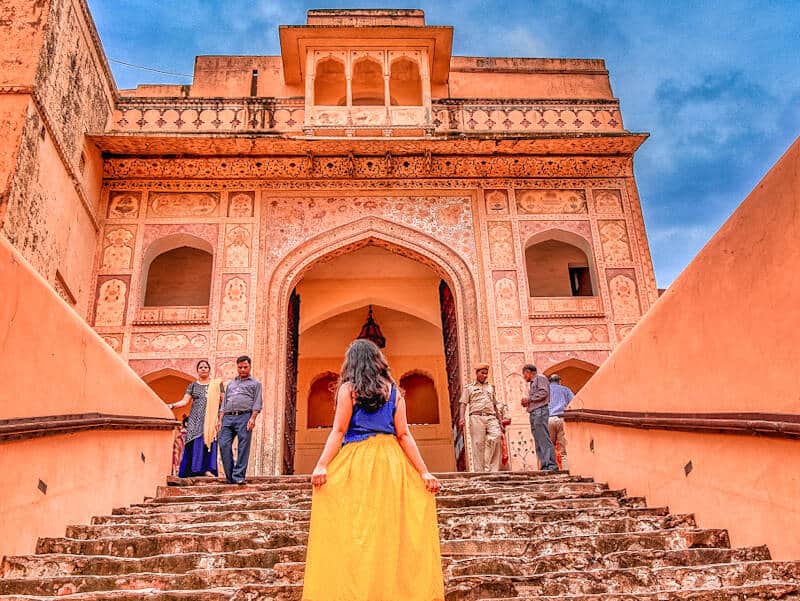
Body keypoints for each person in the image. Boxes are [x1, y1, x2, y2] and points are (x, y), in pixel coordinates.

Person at [302, 339, 444, 601]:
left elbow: (340, 430)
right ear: (378, 361)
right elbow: (404, 435)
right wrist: (424, 471)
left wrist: (321, 464)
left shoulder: (349, 390)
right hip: (391, 463)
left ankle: (358, 590)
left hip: (357, 460)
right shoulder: (394, 392)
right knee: (388, 530)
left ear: (352, 363)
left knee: (357, 530)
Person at [168, 360, 222, 477]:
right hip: (194, 419)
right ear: (197, 370)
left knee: (208, 443)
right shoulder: (192, 386)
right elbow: (185, 401)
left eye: (205, 367)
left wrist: (220, 419)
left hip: (210, 420)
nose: (203, 369)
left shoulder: (216, 385)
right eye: (201, 367)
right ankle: (192, 470)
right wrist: (172, 405)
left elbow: (223, 402)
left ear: (209, 369)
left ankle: (208, 470)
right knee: (193, 443)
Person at [216, 355, 262, 485]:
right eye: (240, 367)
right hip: (227, 417)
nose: (242, 369)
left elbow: (257, 402)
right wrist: (220, 420)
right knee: (224, 444)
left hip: (245, 416)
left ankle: (238, 476)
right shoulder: (231, 384)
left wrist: (253, 418)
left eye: (245, 367)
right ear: (237, 367)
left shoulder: (256, 384)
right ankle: (230, 477)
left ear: (250, 366)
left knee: (243, 447)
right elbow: (224, 403)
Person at [458, 363, 504, 472]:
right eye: (482, 373)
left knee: (496, 438)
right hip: (476, 417)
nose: (484, 375)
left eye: (486, 374)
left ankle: (493, 470)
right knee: (478, 444)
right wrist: (462, 418)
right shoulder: (469, 388)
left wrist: (500, 421)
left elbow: (495, 405)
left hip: (491, 417)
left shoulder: (491, 388)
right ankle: (480, 472)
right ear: (477, 373)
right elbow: (463, 403)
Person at [521, 364, 558, 471]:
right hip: (534, 412)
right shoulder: (533, 383)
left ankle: (551, 464)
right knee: (538, 439)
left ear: (528, 372)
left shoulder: (540, 378)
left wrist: (529, 399)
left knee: (543, 437)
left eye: (524, 374)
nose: (524, 377)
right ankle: (544, 464)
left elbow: (544, 392)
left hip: (540, 411)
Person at [548, 374, 575, 471]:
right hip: (561, 419)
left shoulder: (545, 391)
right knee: (563, 448)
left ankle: (551, 470)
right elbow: (573, 401)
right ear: (559, 381)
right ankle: (566, 469)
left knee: (549, 447)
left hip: (549, 419)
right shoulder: (565, 390)